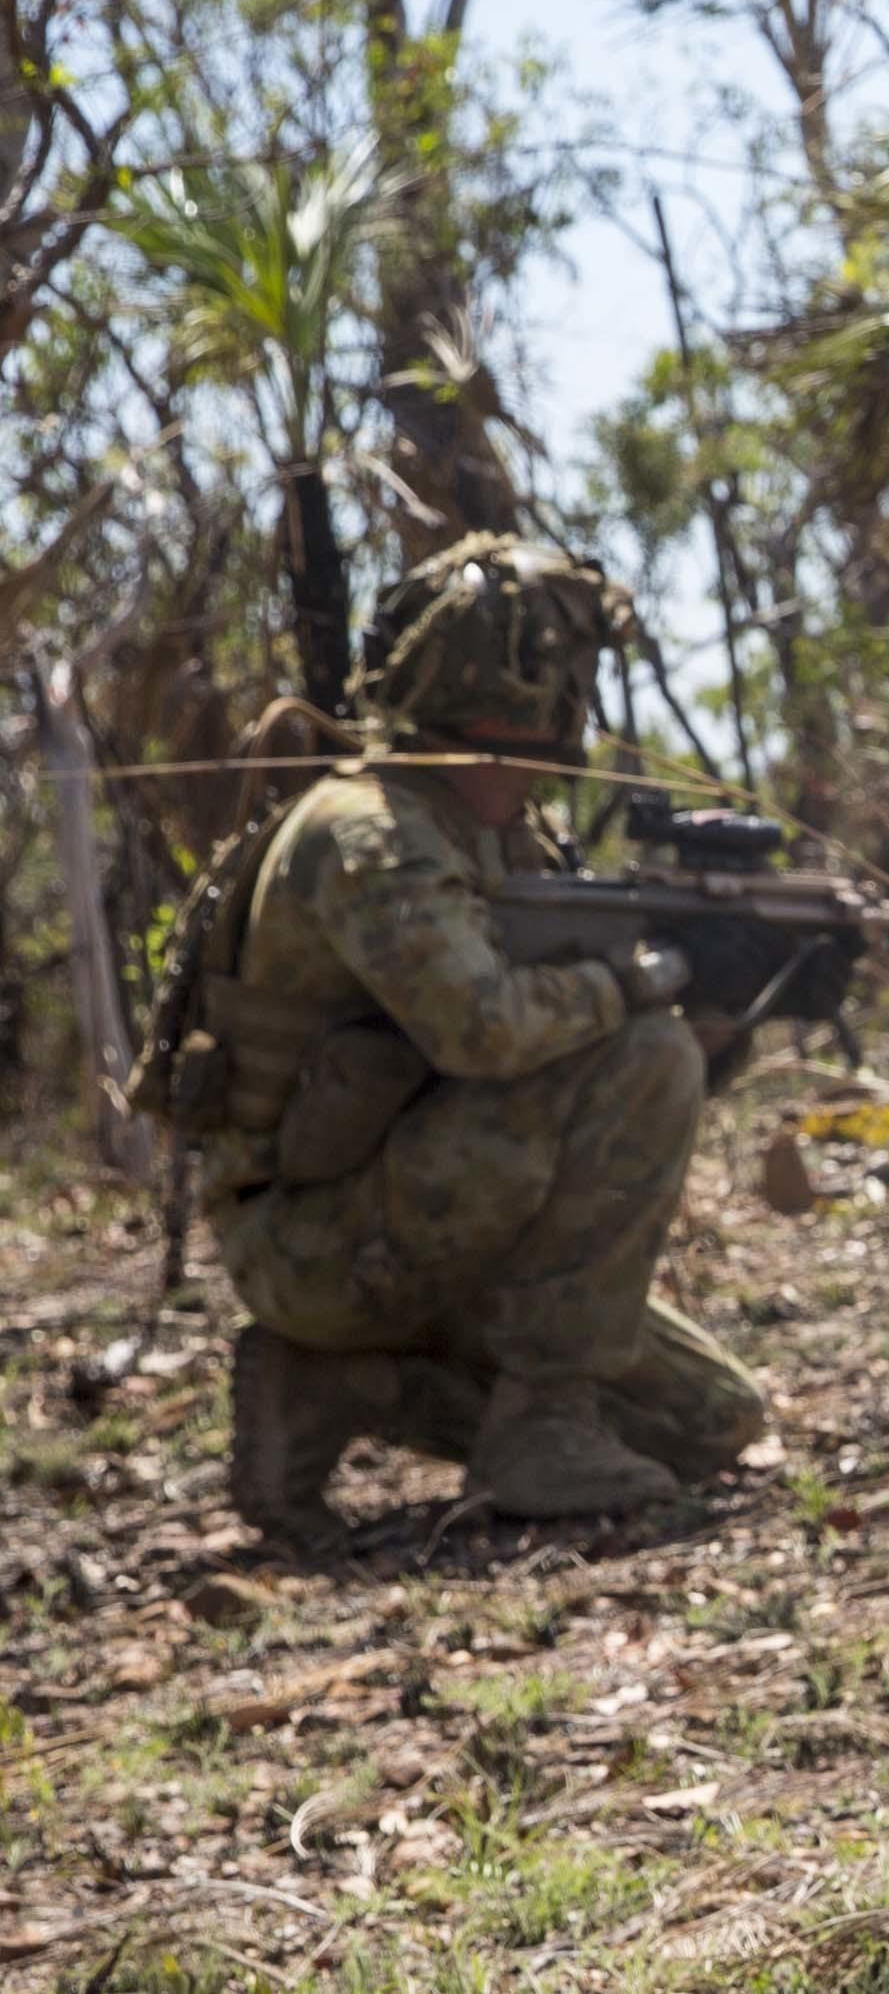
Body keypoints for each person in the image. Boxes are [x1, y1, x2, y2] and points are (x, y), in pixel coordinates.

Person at [195, 537, 767, 1548]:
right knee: (649, 1054)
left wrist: (721, 1014)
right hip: (316, 1245)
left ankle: (342, 1385)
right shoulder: (370, 834)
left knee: (712, 1421)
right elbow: (485, 1031)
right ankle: (540, 1421)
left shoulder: (494, 835)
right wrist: (643, 984)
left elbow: (585, 1091)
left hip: (435, 1231)